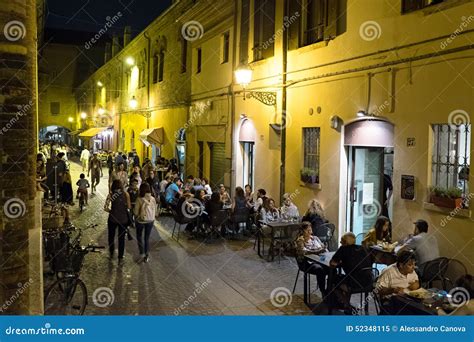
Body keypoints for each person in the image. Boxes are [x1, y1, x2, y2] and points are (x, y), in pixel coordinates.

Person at [330, 232, 373, 313]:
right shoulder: (362, 248)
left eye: (341, 241)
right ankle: (346, 306)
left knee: (332, 280)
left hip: (353, 283)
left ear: (345, 242)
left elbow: (332, 263)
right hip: (368, 282)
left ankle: (347, 305)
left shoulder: (343, 249)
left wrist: (340, 263)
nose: (340, 242)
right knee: (348, 277)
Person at [295, 221, 329, 296]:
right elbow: (304, 252)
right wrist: (317, 251)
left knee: (332, 269)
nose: (310, 232)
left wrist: (324, 250)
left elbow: (323, 248)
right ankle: (323, 291)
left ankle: (330, 290)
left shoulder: (315, 238)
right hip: (306, 263)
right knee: (320, 269)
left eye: (310, 229)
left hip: (319, 260)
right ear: (302, 231)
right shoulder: (300, 240)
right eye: (308, 230)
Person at [104, 179, 131, 263]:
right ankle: (120, 257)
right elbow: (129, 207)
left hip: (112, 219)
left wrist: (111, 211)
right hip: (123, 220)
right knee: (121, 238)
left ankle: (111, 253)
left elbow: (105, 207)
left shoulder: (111, 194)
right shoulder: (126, 194)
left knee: (111, 237)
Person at [134, 183, 156, 263]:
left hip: (141, 221)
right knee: (146, 238)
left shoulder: (139, 199)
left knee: (139, 236)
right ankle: (147, 256)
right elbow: (155, 210)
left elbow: (136, 212)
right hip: (150, 220)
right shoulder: (152, 198)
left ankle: (142, 252)